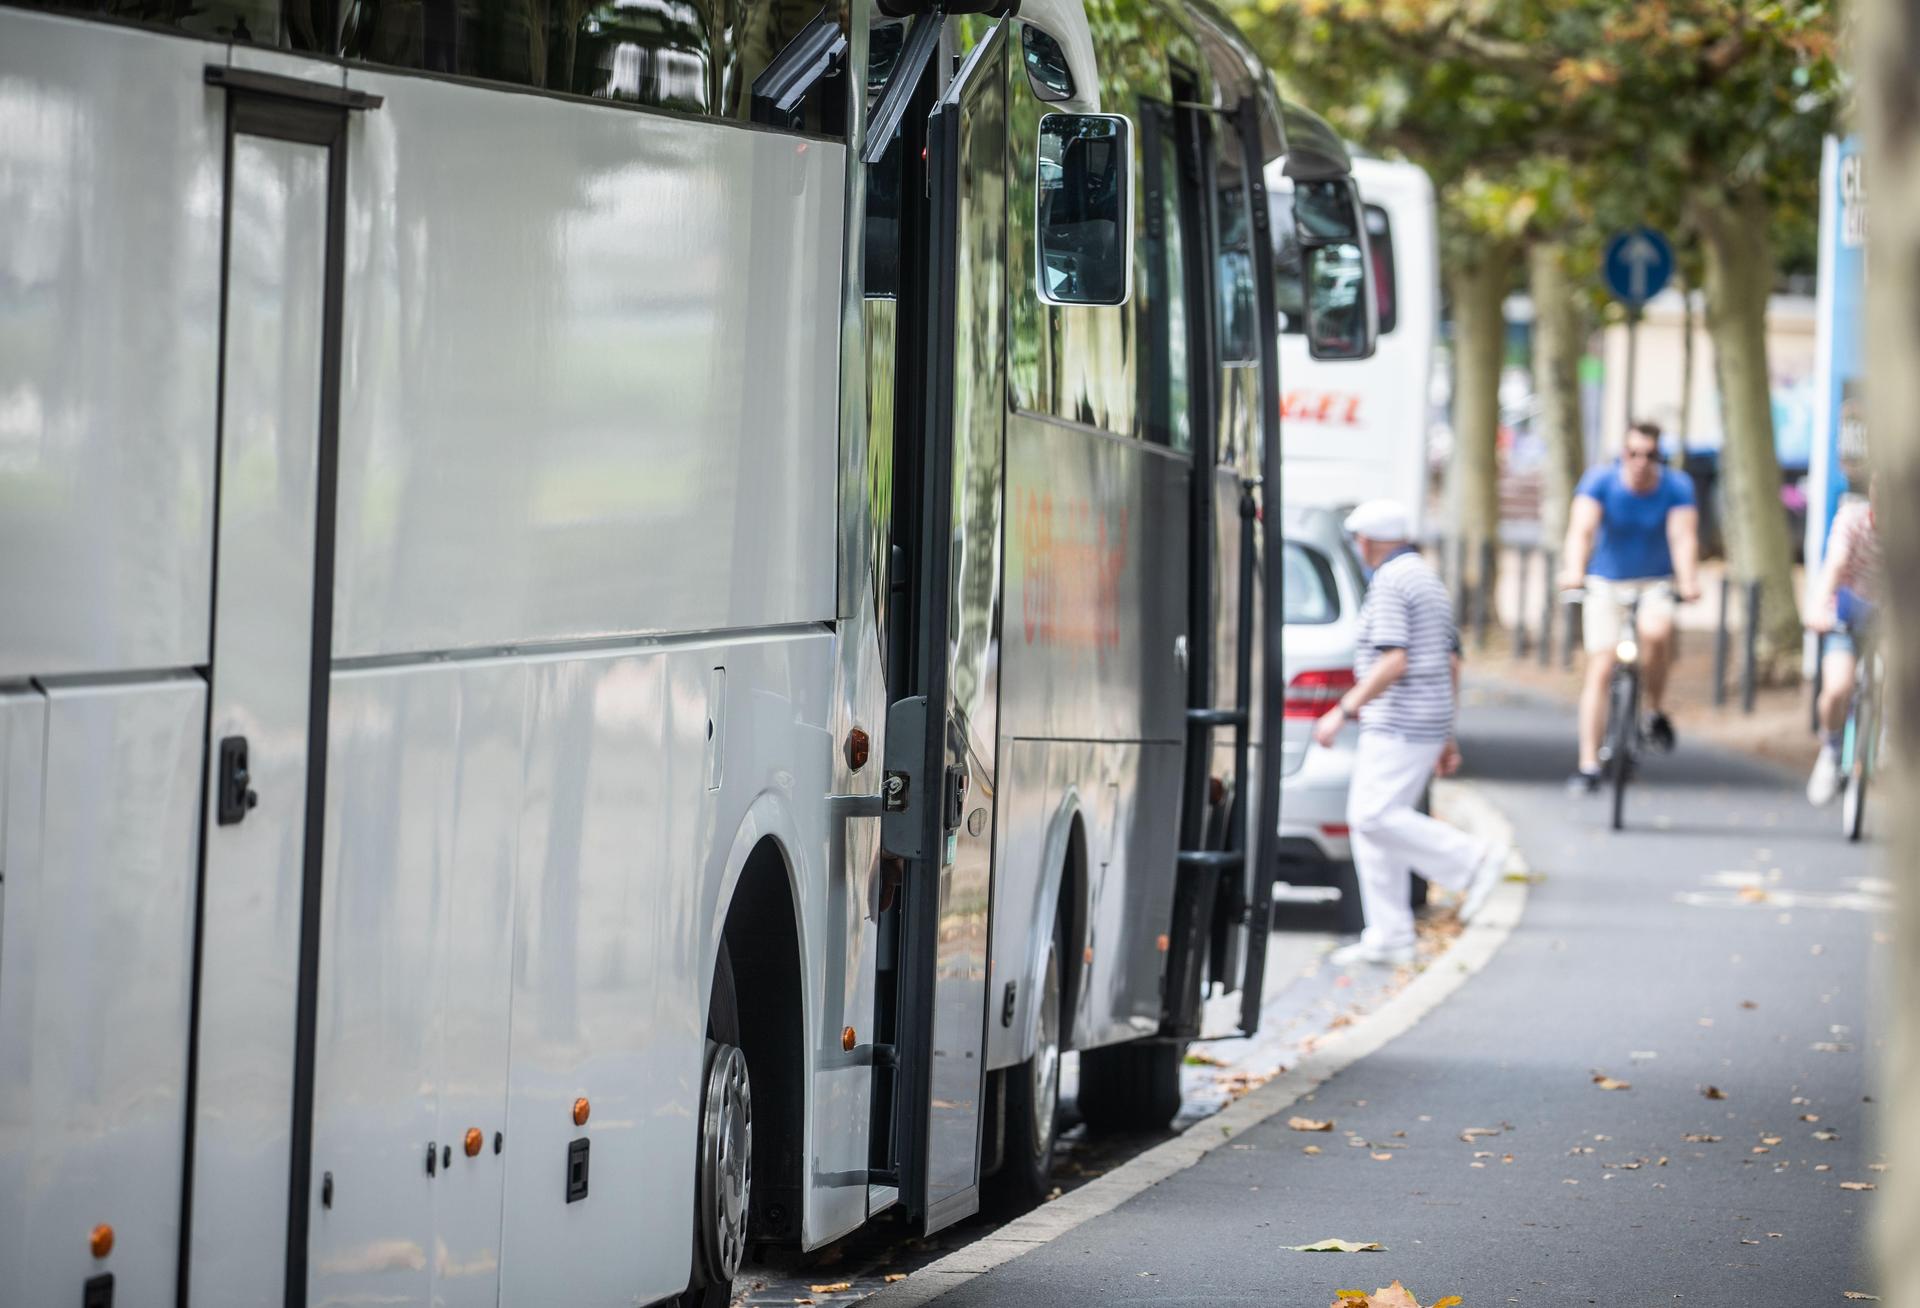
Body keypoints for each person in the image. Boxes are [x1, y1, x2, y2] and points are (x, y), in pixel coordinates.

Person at [1313, 500, 1507, 967]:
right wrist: (1447, 732)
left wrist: (1343, 708)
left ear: (1368, 541)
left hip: (1400, 720)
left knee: (1373, 816)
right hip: (1422, 719)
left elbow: (1393, 659)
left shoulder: (1392, 582)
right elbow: (1450, 660)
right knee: (1373, 823)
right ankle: (1389, 933)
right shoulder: (1424, 577)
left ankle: (1472, 860)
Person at [1558, 421, 1702, 793]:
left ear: (1660, 457)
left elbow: (1682, 536)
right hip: (1605, 582)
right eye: (1633, 454)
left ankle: (1652, 710)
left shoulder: (1676, 487)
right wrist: (1574, 571)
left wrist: (1688, 580)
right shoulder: (1600, 482)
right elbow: (1582, 531)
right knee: (1601, 666)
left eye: (1650, 455)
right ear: (1622, 455)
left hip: (1655, 582)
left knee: (1657, 633)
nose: (1641, 462)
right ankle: (1589, 763)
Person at [1803, 467, 1882, 805]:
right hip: (1845, 616)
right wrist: (1818, 606)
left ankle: (1888, 746)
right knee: (1837, 689)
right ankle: (1831, 750)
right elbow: (1834, 565)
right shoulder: (1852, 519)